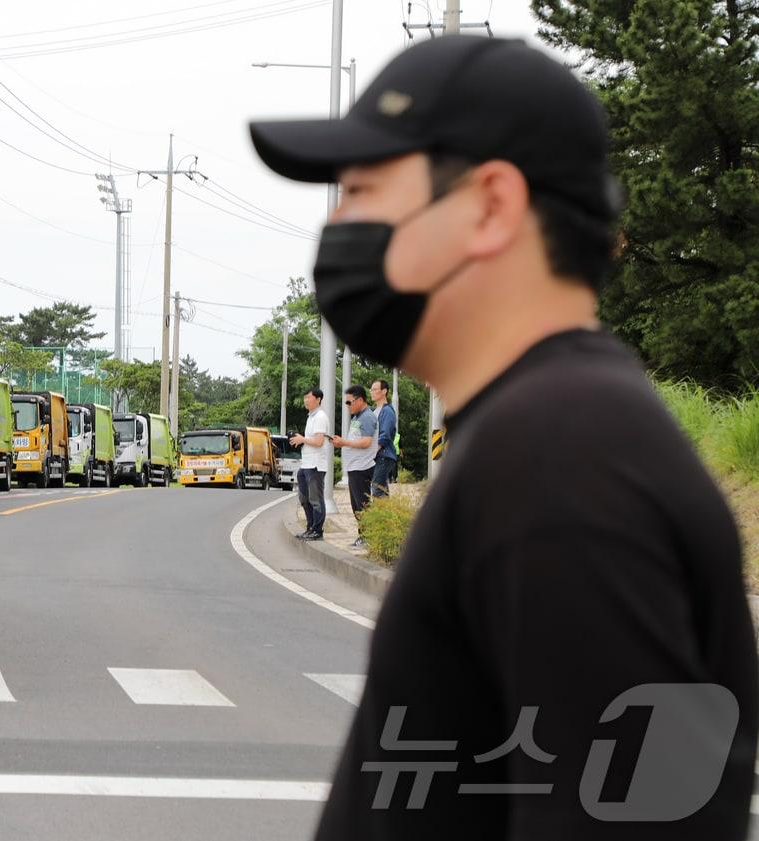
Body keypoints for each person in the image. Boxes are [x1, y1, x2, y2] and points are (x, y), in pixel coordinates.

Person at [251, 35, 756, 840]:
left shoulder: (565, 463)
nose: (338, 226)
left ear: (490, 206)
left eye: (360, 190)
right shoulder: (548, 435)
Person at [331, 385, 377, 548]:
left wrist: (344, 442)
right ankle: (364, 536)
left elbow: (366, 442)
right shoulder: (357, 417)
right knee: (356, 504)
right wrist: (342, 442)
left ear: (359, 399)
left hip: (362, 467)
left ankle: (367, 537)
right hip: (355, 467)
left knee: (362, 505)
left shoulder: (367, 417)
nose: (347, 406)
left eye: (349, 402)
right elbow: (356, 440)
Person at [289, 388, 331, 540]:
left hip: (315, 465)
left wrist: (303, 440)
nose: (306, 400)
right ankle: (310, 527)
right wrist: (300, 441)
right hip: (306, 464)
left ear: (318, 399)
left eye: (309, 397)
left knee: (315, 499)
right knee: (304, 498)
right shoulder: (310, 417)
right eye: (304, 397)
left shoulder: (320, 417)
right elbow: (311, 441)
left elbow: (319, 442)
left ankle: (317, 531)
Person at [369, 378, 397, 496]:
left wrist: (372, 451)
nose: (372, 392)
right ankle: (386, 514)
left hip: (383, 456)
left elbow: (385, 435)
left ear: (384, 391)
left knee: (377, 489)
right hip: (378, 456)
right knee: (381, 489)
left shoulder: (387, 411)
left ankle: (382, 514)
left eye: (375, 389)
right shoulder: (375, 411)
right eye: (371, 390)